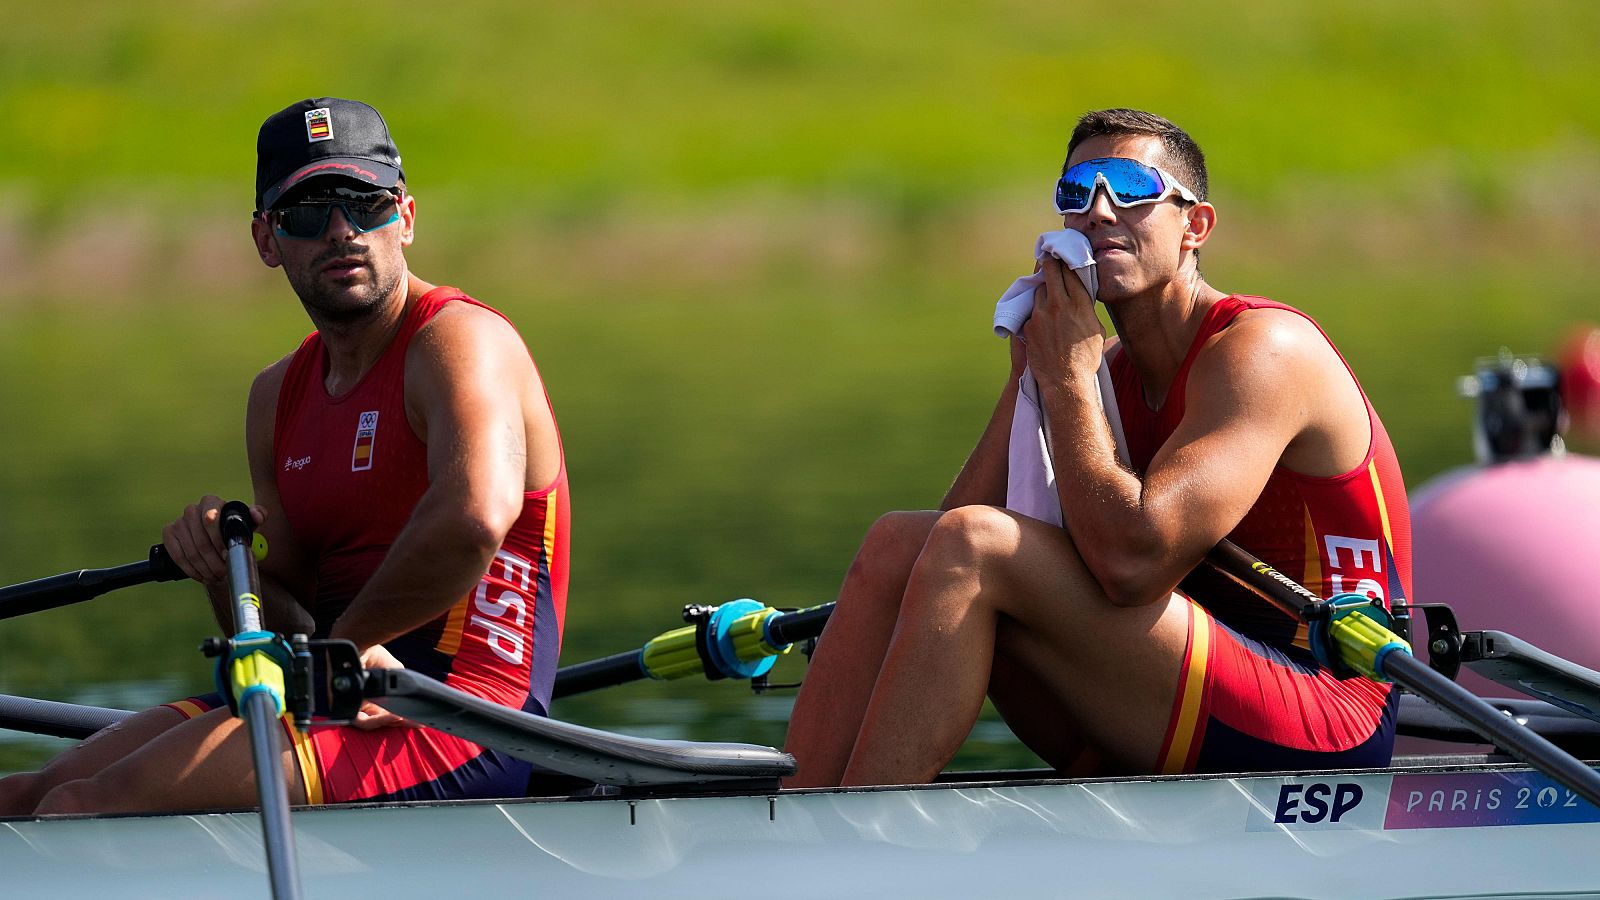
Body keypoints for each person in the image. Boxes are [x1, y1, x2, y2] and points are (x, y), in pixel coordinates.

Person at [783, 108, 1412, 787]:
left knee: (976, 547)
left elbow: (1132, 567)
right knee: (897, 544)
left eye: (1131, 187)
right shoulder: (1100, 367)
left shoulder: (1265, 350)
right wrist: (1030, 375)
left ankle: (863, 830)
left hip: (1327, 707)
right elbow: (935, 552)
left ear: (1195, 226)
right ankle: (793, 806)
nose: (1099, 211)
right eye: (1077, 192)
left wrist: (1066, 379)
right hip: (1175, 682)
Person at [0, 97, 570, 814]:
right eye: (307, 214)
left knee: (79, 808)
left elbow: (473, 519)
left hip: (465, 718)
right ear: (266, 239)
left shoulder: (459, 342)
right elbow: (286, 630)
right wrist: (225, 566)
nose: (342, 231)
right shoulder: (275, 396)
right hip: (335, 692)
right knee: (24, 796)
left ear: (406, 218)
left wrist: (343, 649)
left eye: (366, 204)